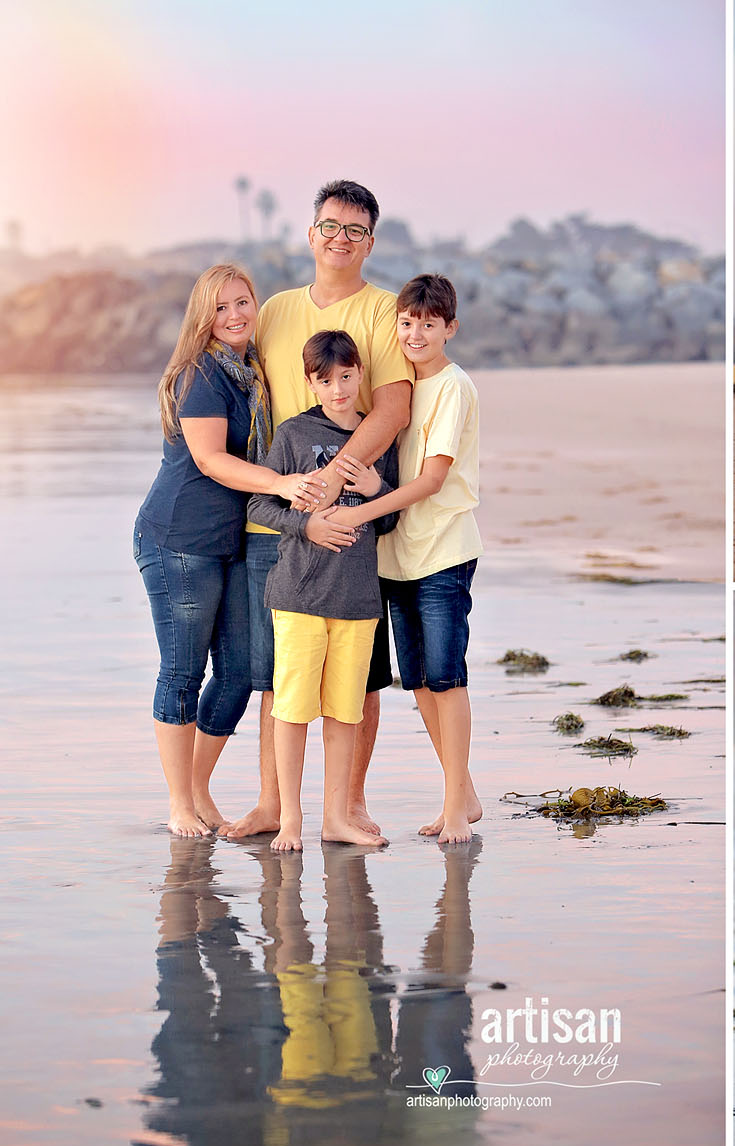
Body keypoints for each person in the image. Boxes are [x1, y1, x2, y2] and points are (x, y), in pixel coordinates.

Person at [223, 179, 414, 842]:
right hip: (279, 522)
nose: (339, 237)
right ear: (310, 234)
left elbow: (392, 408)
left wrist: (334, 486)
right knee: (282, 674)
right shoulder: (274, 310)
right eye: (329, 225)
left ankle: (346, 807)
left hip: (354, 526)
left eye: (354, 230)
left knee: (355, 677)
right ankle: (275, 805)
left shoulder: (383, 311)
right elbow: (240, 385)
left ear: (369, 242)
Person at [134, 263, 305, 837]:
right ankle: (180, 804)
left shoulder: (249, 372)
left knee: (237, 674)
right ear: (202, 316)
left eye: (243, 302)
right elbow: (208, 459)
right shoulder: (201, 373)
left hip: (231, 541)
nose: (234, 315)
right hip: (178, 539)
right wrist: (281, 485)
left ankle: (198, 788)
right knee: (183, 671)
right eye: (221, 306)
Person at [341, 273, 484, 844]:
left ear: (449, 328)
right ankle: (463, 792)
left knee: (448, 679)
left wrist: (361, 507)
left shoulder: (453, 387)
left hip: (444, 549)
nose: (415, 333)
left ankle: (454, 811)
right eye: (406, 322)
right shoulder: (396, 388)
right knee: (420, 681)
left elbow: (431, 479)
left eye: (428, 323)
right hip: (396, 557)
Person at [246, 331, 401, 852]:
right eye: (326, 380)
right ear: (310, 382)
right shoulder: (293, 435)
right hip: (299, 597)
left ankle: (336, 817)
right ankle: (291, 818)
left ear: (361, 375)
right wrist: (305, 526)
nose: (338, 390)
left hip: (358, 601)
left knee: (344, 713)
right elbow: (257, 506)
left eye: (347, 378)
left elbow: (392, 518)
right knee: (291, 711)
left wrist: (379, 490)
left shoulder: (378, 440)